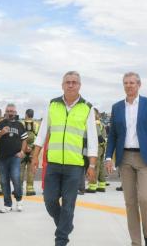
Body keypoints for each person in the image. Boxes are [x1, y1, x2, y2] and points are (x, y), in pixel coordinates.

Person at [30, 71, 98, 246]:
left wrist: (91, 165)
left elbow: (92, 139)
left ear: (79, 86)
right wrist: (35, 156)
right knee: (50, 200)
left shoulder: (87, 108)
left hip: (74, 166)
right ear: (62, 85)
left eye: (74, 82)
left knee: (68, 205)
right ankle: (66, 225)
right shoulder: (53, 105)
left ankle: (61, 240)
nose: (70, 85)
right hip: (53, 164)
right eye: (67, 82)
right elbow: (42, 132)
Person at [105, 72, 147, 246]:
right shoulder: (117, 107)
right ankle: (135, 242)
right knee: (130, 202)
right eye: (126, 83)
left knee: (145, 198)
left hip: (146, 158)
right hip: (125, 158)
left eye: (132, 82)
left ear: (139, 84)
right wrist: (108, 157)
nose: (129, 85)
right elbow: (113, 136)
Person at [0, 104, 28, 213]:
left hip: (15, 157)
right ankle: (7, 204)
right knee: (3, 181)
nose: (10, 112)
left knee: (16, 178)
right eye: (8, 111)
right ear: (5, 112)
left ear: (15, 112)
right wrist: (2, 132)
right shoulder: (1, 123)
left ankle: (19, 200)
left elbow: (24, 139)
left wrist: (22, 151)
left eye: (12, 111)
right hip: (1, 158)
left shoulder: (20, 125)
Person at [86, 109, 107, 193]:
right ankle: (102, 185)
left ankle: (92, 186)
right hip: (101, 147)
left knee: (94, 166)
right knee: (101, 166)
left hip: (96, 147)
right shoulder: (100, 123)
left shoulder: (94, 123)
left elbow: (98, 135)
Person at [20, 109, 39, 196]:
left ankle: (18, 188)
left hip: (22, 150)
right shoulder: (36, 124)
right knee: (31, 169)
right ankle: (30, 190)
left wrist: (24, 147)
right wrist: (31, 148)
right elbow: (38, 139)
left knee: (20, 169)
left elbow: (18, 137)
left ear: (26, 114)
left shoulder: (21, 124)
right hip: (33, 150)